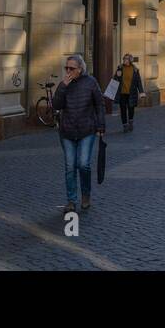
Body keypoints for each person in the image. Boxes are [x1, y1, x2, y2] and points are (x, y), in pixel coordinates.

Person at [52, 54, 105, 213]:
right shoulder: (64, 85)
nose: (68, 71)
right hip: (67, 131)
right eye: (66, 68)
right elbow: (56, 105)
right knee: (70, 167)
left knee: (83, 164)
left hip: (86, 130)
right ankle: (71, 200)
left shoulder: (91, 82)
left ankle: (86, 195)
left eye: (71, 68)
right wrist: (62, 87)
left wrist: (101, 126)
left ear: (80, 69)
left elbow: (99, 105)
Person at [113, 53, 143, 132]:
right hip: (122, 93)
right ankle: (125, 125)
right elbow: (115, 80)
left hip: (132, 93)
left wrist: (141, 92)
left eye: (126, 59)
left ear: (130, 60)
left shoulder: (135, 70)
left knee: (131, 109)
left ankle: (130, 122)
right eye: (124, 59)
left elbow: (138, 82)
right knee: (122, 109)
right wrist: (111, 92)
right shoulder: (120, 68)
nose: (125, 60)